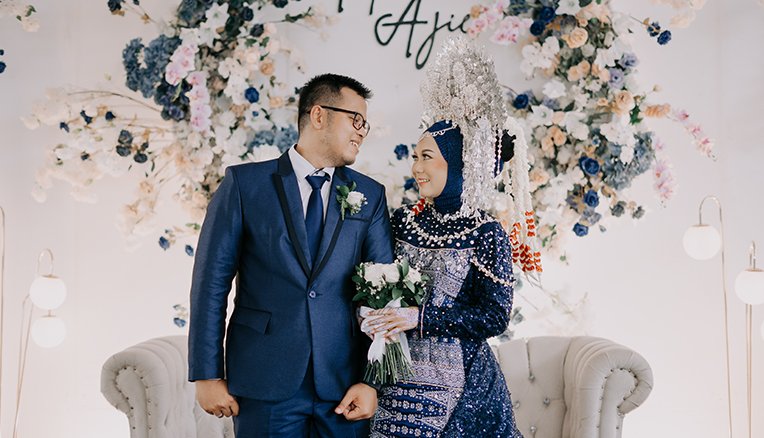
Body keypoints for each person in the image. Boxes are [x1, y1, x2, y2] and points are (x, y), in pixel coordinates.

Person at [188, 73, 394, 437]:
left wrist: (372, 381)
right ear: (318, 115)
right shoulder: (244, 185)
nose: (362, 132)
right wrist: (207, 374)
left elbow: (383, 296)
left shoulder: (370, 195)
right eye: (355, 120)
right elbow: (210, 284)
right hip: (264, 380)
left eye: (364, 124)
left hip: (344, 386)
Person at [362, 38, 536, 437]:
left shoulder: (486, 233)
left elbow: (494, 316)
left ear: (457, 164)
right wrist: (371, 315)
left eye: (427, 157)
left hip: (461, 385)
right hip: (394, 377)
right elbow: (375, 280)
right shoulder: (403, 220)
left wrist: (419, 317)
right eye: (415, 157)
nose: (416, 168)